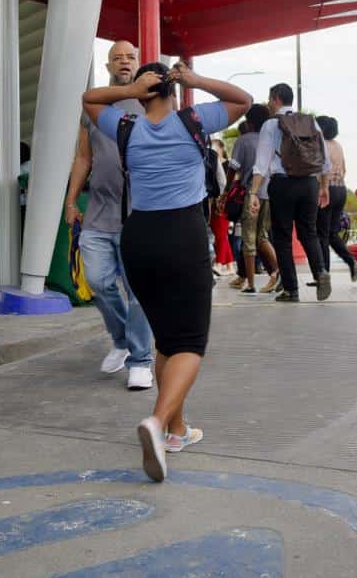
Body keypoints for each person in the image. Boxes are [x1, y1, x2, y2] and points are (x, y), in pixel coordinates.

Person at [83, 60, 250, 482]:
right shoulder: (193, 120)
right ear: (173, 91)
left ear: (142, 93)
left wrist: (130, 90)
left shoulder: (125, 127)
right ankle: (157, 423)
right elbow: (243, 100)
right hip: (182, 234)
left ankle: (177, 431)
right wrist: (194, 80)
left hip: (139, 237)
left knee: (166, 342)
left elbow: (88, 99)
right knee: (191, 342)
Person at [63, 40, 154, 392]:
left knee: (138, 290)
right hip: (98, 213)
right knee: (99, 282)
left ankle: (141, 360)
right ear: (108, 66)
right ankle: (122, 340)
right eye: (117, 58)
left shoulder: (149, 102)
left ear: (138, 63)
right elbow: (83, 157)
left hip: (138, 214)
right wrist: (72, 201)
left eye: (130, 57)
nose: (124, 62)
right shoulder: (94, 104)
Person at [249, 83, 332, 303]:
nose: (268, 103)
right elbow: (324, 159)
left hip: (283, 184)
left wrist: (253, 193)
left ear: (276, 99)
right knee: (309, 233)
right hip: (308, 184)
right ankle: (320, 271)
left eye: (269, 99)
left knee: (283, 237)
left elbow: (262, 163)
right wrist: (323, 187)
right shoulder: (310, 121)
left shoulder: (270, 124)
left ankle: (291, 290)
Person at [226, 105, 279, 295]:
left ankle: (250, 283)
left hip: (251, 193)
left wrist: (226, 191)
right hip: (270, 192)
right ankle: (277, 271)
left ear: (249, 123)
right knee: (262, 236)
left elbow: (234, 168)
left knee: (248, 238)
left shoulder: (244, 140)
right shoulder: (272, 141)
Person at [315, 117, 357, 281]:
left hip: (327, 189)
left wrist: (322, 187)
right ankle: (350, 261)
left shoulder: (322, 145)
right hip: (341, 189)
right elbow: (345, 169)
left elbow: (321, 170)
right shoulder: (338, 146)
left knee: (322, 234)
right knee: (332, 232)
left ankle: (323, 274)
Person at [209, 138, 235, 274]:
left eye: (215, 147)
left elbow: (225, 182)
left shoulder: (226, 164)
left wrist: (223, 199)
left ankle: (219, 263)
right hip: (213, 203)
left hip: (222, 201)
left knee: (221, 233)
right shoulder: (213, 161)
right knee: (221, 233)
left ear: (221, 148)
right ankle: (230, 266)